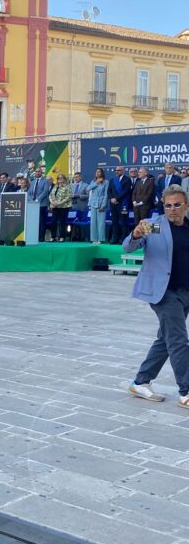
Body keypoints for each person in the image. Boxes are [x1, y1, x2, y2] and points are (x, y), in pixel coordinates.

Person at [124, 185, 189, 409]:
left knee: (165, 340)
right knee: (179, 340)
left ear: (186, 205)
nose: (172, 209)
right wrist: (135, 233)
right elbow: (129, 246)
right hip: (163, 294)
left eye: (177, 205)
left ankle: (140, 382)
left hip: (185, 292)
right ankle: (186, 391)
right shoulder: (155, 225)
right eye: (168, 205)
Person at [107, 166, 132, 244]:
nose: (117, 171)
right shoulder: (112, 180)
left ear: (123, 171)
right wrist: (111, 199)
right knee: (114, 222)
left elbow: (126, 191)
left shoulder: (127, 179)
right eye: (116, 170)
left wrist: (117, 199)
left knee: (123, 222)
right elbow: (109, 191)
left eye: (119, 170)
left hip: (123, 204)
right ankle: (114, 238)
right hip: (113, 205)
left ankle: (123, 239)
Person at [28, 165, 50, 242]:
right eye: (36, 172)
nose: (37, 173)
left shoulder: (45, 181)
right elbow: (29, 192)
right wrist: (31, 200)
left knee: (41, 221)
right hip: (32, 204)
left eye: (39, 171)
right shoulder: (32, 181)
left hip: (42, 204)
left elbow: (45, 192)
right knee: (34, 221)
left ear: (42, 172)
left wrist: (37, 199)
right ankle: (34, 237)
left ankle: (41, 238)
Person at [48, 173, 72, 242]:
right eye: (58, 178)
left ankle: (62, 237)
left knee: (62, 222)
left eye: (61, 178)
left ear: (64, 179)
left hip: (64, 207)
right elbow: (50, 195)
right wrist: (52, 202)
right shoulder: (55, 186)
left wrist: (59, 203)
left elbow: (68, 197)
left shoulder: (68, 186)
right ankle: (53, 236)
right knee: (53, 221)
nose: (60, 179)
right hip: (55, 206)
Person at [88, 168, 108, 245]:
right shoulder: (93, 181)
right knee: (93, 222)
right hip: (93, 203)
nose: (97, 173)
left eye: (99, 172)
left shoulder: (106, 182)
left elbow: (106, 194)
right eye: (96, 172)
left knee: (101, 223)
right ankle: (94, 239)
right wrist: (96, 182)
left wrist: (103, 205)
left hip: (101, 203)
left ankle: (101, 239)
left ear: (102, 173)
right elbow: (88, 188)